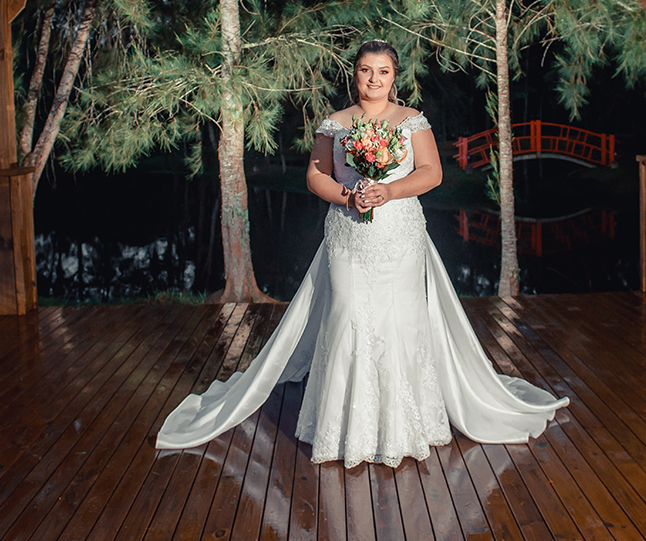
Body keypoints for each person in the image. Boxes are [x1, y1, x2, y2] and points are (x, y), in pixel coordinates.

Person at [156, 40, 568, 467]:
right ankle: (343, 429)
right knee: (346, 315)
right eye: (366, 70)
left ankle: (405, 426)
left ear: (394, 77)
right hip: (347, 234)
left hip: (399, 235)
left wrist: (389, 190)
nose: (374, 79)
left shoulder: (411, 120)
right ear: (354, 74)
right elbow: (315, 176)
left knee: (400, 320)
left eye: (383, 71)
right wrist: (347, 196)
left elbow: (432, 173)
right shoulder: (335, 123)